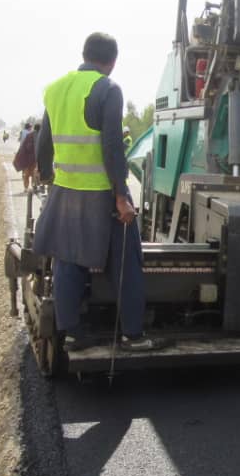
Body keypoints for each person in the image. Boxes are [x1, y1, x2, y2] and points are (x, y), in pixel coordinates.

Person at [33, 32, 154, 352]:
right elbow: (112, 146)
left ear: (84, 54)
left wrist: (47, 177)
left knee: (68, 259)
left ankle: (72, 334)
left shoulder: (55, 89)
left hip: (65, 191)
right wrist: (121, 196)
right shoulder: (107, 89)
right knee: (127, 260)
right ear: (112, 62)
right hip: (101, 195)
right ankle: (132, 334)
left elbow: (43, 142)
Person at [13, 121, 38, 191]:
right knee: (33, 174)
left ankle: (26, 187)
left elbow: (21, 141)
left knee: (26, 174)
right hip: (32, 158)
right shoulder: (35, 135)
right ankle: (32, 187)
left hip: (25, 155)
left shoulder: (26, 134)